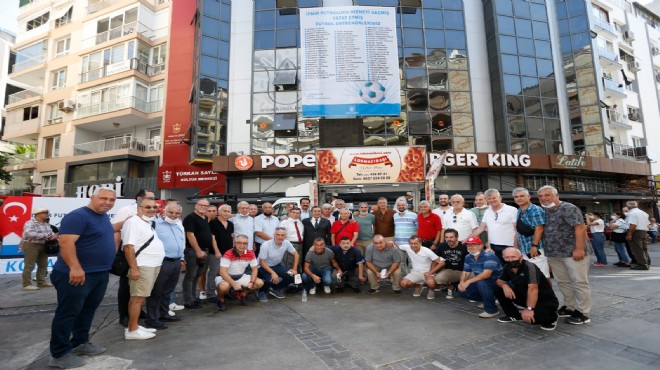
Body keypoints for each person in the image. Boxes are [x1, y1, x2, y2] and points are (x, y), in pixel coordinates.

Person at [48, 188, 117, 368]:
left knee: (87, 310)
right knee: (68, 313)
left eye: (112, 200)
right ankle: (59, 353)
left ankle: (80, 342)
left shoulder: (102, 217)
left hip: (99, 273)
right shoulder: (78, 216)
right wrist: (75, 267)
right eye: (103, 198)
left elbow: (101, 235)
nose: (108, 202)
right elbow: (65, 242)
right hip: (76, 274)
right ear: (92, 197)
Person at [538, 185, 591, 325]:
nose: (544, 198)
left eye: (547, 195)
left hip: (572, 253)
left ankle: (583, 312)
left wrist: (579, 249)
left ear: (556, 195)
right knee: (563, 282)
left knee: (579, 282)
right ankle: (569, 306)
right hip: (554, 253)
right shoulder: (544, 211)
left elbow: (580, 228)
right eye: (541, 196)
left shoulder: (568, 208)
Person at [122, 198, 165, 339]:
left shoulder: (146, 222)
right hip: (142, 265)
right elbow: (128, 247)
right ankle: (132, 330)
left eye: (154, 207)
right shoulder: (133, 222)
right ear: (138, 208)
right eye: (148, 207)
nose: (152, 209)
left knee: (140, 297)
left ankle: (134, 326)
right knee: (137, 298)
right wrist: (134, 269)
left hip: (152, 265)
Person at [112, 188, 155, 327]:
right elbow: (115, 230)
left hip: (145, 257)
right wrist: (115, 252)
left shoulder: (151, 212)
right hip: (129, 253)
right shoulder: (126, 210)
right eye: (149, 198)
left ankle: (138, 311)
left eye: (154, 198)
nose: (153, 201)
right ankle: (124, 315)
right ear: (139, 198)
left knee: (139, 288)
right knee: (126, 286)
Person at [494, 247, 559, 331]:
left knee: (533, 320)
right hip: (525, 296)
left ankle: (553, 317)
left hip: (543, 299)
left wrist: (529, 309)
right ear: (503, 258)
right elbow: (499, 281)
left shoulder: (530, 267)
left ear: (521, 257)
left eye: (513, 257)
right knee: (498, 289)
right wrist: (504, 286)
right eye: (507, 257)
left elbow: (533, 289)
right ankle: (513, 315)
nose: (510, 260)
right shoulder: (508, 267)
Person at [145, 203, 185, 330]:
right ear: (164, 212)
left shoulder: (179, 224)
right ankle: (152, 318)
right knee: (156, 291)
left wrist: (182, 259)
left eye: (177, 213)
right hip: (162, 262)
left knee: (168, 290)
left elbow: (182, 242)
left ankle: (164, 313)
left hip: (176, 261)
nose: (174, 215)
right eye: (171, 212)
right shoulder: (155, 224)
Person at [215, 235, 264, 311]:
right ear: (235, 243)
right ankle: (220, 299)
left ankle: (242, 295)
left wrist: (251, 282)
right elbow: (222, 272)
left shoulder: (250, 253)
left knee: (259, 283)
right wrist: (234, 284)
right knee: (223, 286)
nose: (242, 245)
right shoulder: (228, 253)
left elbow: (254, 269)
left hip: (240, 276)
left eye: (245, 243)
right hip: (225, 277)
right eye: (239, 243)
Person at [182, 199, 216, 309]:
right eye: (201, 205)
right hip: (193, 251)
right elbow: (190, 235)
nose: (204, 207)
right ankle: (188, 301)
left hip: (203, 250)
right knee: (190, 276)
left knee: (196, 275)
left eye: (206, 206)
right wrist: (197, 251)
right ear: (196, 206)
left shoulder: (205, 217)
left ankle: (193, 297)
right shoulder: (190, 218)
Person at [457, 236, 502, 318]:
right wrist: (462, 283)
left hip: (497, 282)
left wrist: (468, 282)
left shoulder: (489, 255)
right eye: (469, 245)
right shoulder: (468, 257)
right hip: (482, 281)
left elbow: (486, 274)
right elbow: (466, 272)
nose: (471, 247)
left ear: (481, 246)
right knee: (461, 291)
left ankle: (492, 310)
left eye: (474, 245)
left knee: (481, 283)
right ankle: (488, 300)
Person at [470, 188, 517, 264]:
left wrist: (516, 248)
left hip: (509, 245)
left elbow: (516, 230)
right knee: (497, 269)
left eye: (494, 198)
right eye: (489, 198)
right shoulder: (488, 211)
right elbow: (481, 228)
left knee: (511, 268)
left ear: (500, 198)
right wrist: (466, 240)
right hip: (493, 246)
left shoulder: (512, 210)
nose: (491, 200)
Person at [256, 227, 300, 301]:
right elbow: (261, 262)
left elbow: (296, 254)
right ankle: (261, 292)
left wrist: (294, 269)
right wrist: (273, 273)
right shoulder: (265, 245)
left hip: (276, 265)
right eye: (278, 234)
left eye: (282, 235)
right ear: (274, 235)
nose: (280, 237)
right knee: (269, 278)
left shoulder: (286, 242)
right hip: (263, 266)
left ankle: (276, 289)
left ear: (285, 236)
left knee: (292, 275)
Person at [21, 207, 57, 291]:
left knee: (43, 264)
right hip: (32, 245)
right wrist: (47, 236)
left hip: (44, 245)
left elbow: (50, 232)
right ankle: (26, 284)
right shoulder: (29, 223)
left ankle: (41, 282)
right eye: (45, 213)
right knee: (29, 265)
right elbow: (29, 234)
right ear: (38, 214)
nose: (47, 214)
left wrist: (54, 235)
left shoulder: (46, 224)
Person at [399, 235, 440, 299]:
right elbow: (396, 245)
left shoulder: (427, 250)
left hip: (428, 272)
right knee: (403, 283)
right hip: (416, 272)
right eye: (411, 243)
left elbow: (439, 261)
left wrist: (431, 272)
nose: (413, 245)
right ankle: (418, 287)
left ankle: (431, 289)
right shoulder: (407, 247)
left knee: (431, 283)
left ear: (420, 243)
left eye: (415, 243)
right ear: (409, 244)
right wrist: (390, 243)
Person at [207, 204, 234, 301]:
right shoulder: (213, 223)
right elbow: (212, 238)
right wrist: (217, 251)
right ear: (219, 212)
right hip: (215, 253)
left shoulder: (230, 224)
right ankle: (210, 295)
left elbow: (232, 237)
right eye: (224, 211)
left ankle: (225, 292)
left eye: (228, 211)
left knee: (226, 273)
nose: (226, 213)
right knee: (213, 273)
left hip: (228, 253)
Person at [433, 229, 469, 299]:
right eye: (446, 237)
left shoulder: (464, 246)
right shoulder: (442, 246)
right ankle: (451, 287)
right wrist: (432, 272)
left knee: (470, 289)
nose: (449, 239)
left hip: (464, 271)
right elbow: (435, 259)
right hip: (449, 271)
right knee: (437, 278)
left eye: (451, 237)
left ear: (457, 237)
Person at [393, 197, 417, 275]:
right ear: (397, 206)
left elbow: (418, 228)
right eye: (399, 205)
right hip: (399, 244)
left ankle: (412, 278)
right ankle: (404, 278)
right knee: (401, 262)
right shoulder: (395, 216)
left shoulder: (414, 215)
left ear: (406, 205)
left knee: (412, 262)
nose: (401, 206)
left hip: (411, 244)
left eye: (403, 205)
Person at [625, 201, 651, 270]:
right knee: (643, 248)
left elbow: (633, 225)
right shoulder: (644, 213)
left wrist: (629, 234)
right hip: (643, 231)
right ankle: (646, 262)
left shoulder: (632, 213)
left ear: (628, 207)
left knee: (637, 249)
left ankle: (642, 264)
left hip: (635, 232)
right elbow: (648, 224)